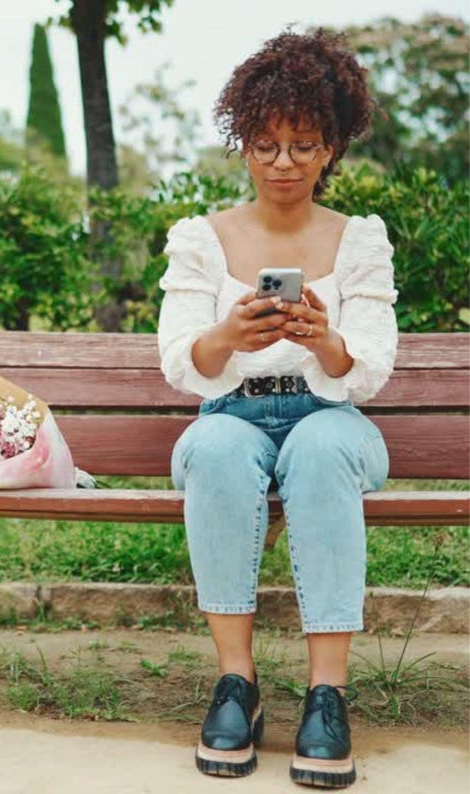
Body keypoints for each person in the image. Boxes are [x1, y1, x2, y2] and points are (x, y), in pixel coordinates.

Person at [158, 29, 397, 789]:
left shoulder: (359, 241)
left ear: (331, 148)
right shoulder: (203, 239)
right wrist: (228, 333)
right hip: (229, 414)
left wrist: (326, 341)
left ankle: (327, 694)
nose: (283, 162)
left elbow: (372, 369)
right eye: (265, 145)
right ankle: (238, 684)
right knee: (220, 450)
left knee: (322, 448)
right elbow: (178, 363)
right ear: (244, 148)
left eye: (302, 144)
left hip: (330, 420)